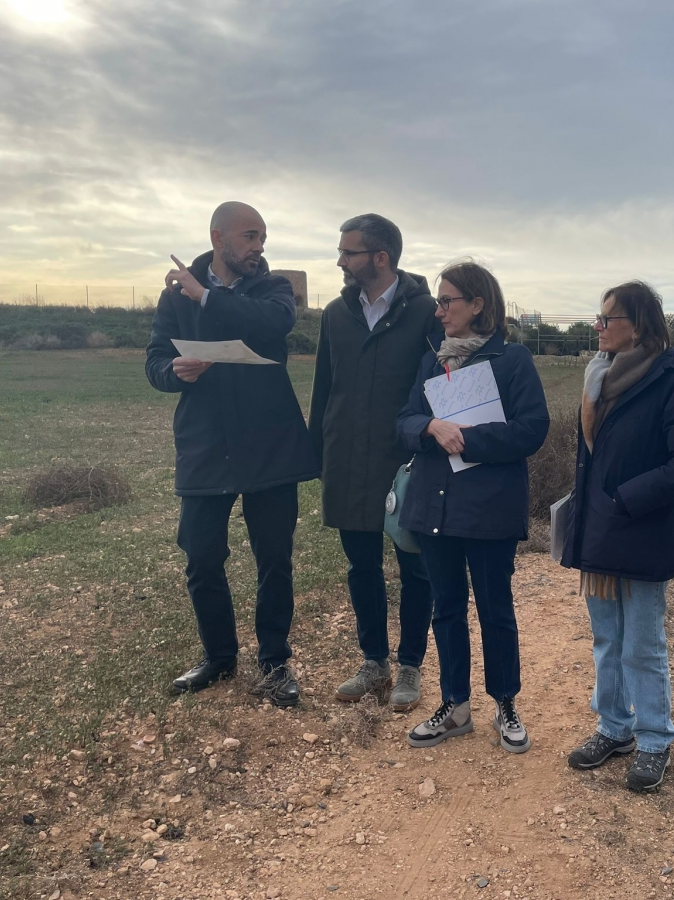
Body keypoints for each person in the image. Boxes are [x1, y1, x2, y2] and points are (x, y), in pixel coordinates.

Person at [145, 201, 318, 708]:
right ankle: (219, 658)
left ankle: (274, 662)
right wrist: (172, 371)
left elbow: (271, 326)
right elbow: (154, 359)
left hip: (271, 445)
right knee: (201, 559)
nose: (258, 247)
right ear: (218, 237)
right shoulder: (174, 296)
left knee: (274, 560)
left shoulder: (274, 289)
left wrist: (204, 298)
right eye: (248, 236)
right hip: (205, 444)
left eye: (262, 237)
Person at [560, 282, 674, 792]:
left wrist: (626, 498)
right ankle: (614, 727)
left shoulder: (670, 378)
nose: (598, 327)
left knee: (642, 643)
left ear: (638, 325)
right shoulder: (598, 377)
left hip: (640, 530)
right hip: (600, 532)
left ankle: (652, 739)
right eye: (598, 318)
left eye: (607, 319)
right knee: (607, 639)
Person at [396, 261, 549, 753]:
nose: (438, 311)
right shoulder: (431, 362)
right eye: (439, 302)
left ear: (478, 304)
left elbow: (532, 429)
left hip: (488, 511)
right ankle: (455, 705)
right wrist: (428, 427)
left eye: (447, 301)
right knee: (446, 609)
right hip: (434, 509)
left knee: (494, 609)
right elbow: (403, 419)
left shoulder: (512, 360)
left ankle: (505, 702)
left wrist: (464, 439)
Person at [307, 214, 440, 712]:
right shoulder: (334, 315)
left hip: (406, 463)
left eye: (349, 252)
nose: (340, 261)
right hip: (346, 458)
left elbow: (441, 384)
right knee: (360, 566)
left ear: (379, 258)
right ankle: (373, 662)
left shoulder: (427, 312)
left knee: (415, 568)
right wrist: (317, 451)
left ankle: (410, 665)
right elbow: (324, 386)